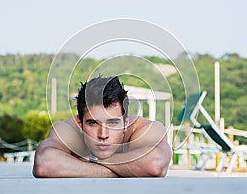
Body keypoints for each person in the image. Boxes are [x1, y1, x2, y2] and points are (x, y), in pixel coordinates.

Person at [32, 76, 172, 178]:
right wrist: (119, 171)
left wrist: (91, 160)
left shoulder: (144, 129)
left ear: (126, 123)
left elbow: (155, 164)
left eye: (113, 123)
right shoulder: (68, 130)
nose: (103, 134)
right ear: (80, 123)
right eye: (93, 123)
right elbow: (44, 164)